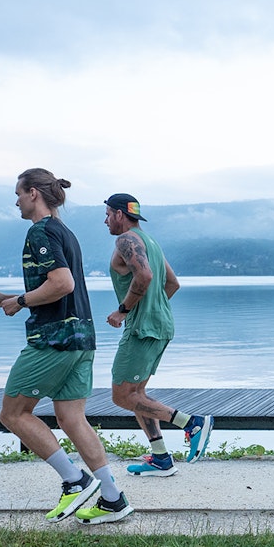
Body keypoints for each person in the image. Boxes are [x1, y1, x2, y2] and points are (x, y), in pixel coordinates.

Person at [0, 169, 131, 524]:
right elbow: (58, 287)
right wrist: (12, 297)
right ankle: (112, 498)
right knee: (71, 418)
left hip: (54, 340)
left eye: (17, 194)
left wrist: (19, 300)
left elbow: (61, 284)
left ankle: (74, 480)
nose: (15, 201)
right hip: (81, 337)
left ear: (33, 193)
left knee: (13, 414)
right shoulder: (65, 232)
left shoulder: (41, 231)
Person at [102, 192, 213, 476]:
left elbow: (145, 276)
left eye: (107, 214)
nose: (105, 221)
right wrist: (153, 308)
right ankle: (161, 457)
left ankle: (192, 423)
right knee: (137, 392)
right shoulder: (151, 242)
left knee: (121, 396)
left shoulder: (125, 240)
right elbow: (172, 283)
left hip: (142, 329)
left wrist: (124, 310)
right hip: (160, 325)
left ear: (119, 214)